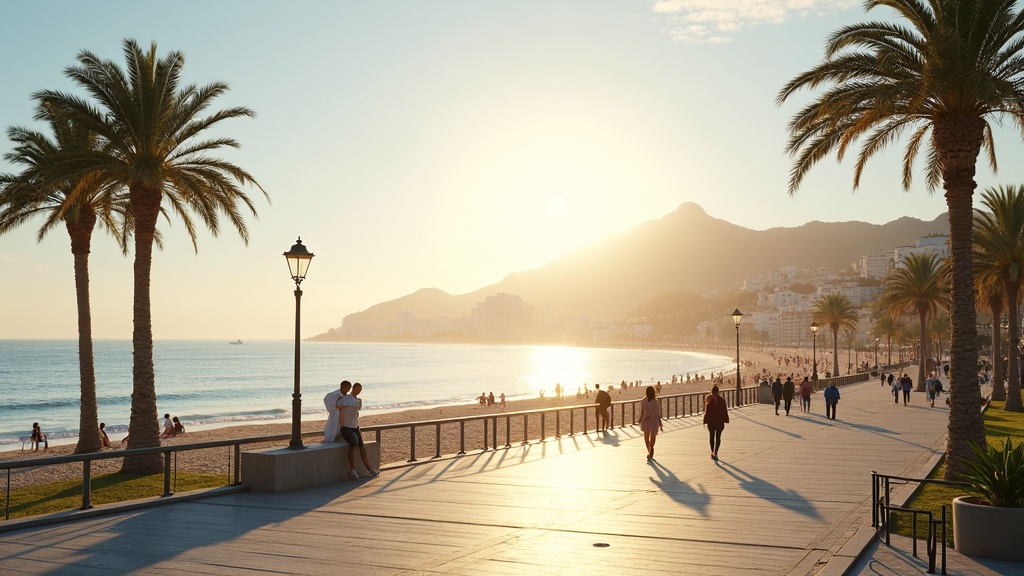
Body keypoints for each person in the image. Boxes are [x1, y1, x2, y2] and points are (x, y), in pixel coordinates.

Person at [337, 382, 378, 479]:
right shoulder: (345, 399)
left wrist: (353, 403)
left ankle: (370, 469)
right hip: (346, 427)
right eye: (358, 389)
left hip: (355, 427)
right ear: (353, 388)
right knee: (353, 445)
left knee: (362, 446)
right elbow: (337, 405)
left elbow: (358, 406)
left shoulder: (358, 400)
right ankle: (353, 469)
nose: (359, 391)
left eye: (360, 390)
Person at [702, 385, 729, 460]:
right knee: (711, 436)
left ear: (718, 393)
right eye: (714, 393)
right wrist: (705, 421)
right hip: (711, 422)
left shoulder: (722, 401)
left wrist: (726, 420)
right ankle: (712, 451)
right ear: (712, 393)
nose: (715, 395)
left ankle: (716, 452)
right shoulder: (709, 401)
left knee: (718, 437)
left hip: (719, 422)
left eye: (716, 393)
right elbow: (706, 412)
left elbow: (724, 411)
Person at [638, 386, 663, 460]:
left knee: (647, 437)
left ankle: (650, 450)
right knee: (651, 436)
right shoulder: (654, 401)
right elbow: (657, 412)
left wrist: (640, 419)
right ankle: (650, 450)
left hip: (647, 419)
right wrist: (659, 421)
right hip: (651, 419)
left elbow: (642, 412)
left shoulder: (645, 401)